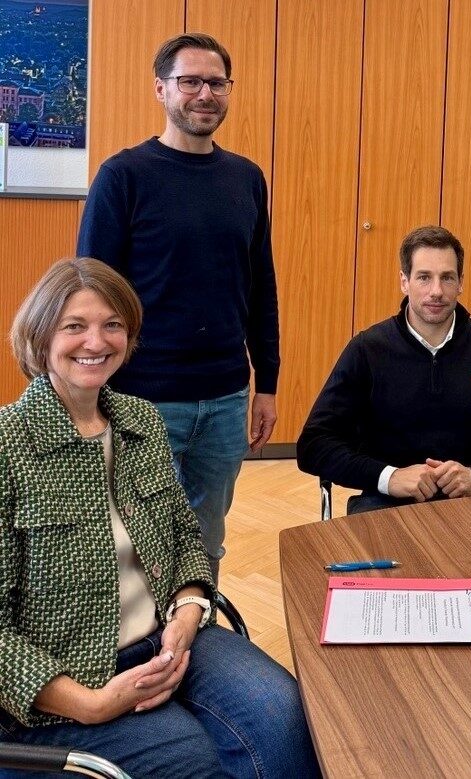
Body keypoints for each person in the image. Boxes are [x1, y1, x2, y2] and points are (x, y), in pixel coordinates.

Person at [0, 258, 319, 778]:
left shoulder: (140, 420)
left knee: (286, 720)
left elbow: (186, 536)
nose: (95, 341)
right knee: (196, 762)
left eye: (113, 325)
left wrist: (189, 610)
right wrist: (90, 704)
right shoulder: (8, 443)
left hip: (170, 639)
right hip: (66, 681)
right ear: (39, 337)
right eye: (74, 326)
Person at [77, 33, 279, 582]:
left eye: (217, 82)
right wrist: (91, 396)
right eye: (190, 81)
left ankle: (197, 641)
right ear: (161, 89)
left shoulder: (247, 178)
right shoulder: (124, 176)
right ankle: (138, 652)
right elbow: (91, 291)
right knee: (133, 547)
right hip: (142, 398)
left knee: (205, 542)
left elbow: (261, 284)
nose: (205, 94)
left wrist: (268, 384)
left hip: (224, 399)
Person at [297, 225, 471, 514]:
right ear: (404, 282)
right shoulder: (367, 350)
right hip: (385, 504)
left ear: (461, 282)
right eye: (424, 278)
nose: (436, 291)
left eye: (447, 278)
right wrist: (389, 477)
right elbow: (313, 445)